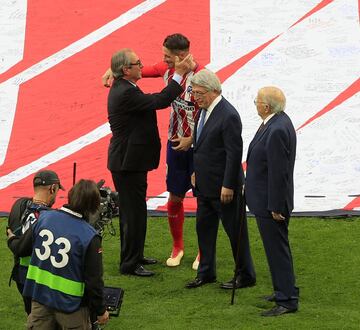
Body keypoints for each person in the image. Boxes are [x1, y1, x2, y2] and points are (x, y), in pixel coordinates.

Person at [103, 33, 202, 269]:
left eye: (166, 56)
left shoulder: (203, 76)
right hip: (163, 148)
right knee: (170, 198)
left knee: (204, 199)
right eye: (137, 64)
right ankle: (175, 248)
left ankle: (202, 251)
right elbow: (161, 99)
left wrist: (194, 137)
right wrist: (112, 69)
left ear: (179, 56)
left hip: (197, 146)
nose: (159, 61)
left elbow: (212, 113)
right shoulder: (140, 83)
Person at [184, 69, 256, 289]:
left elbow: (234, 154)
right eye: (194, 92)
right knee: (204, 230)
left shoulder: (228, 115)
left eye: (199, 93)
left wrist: (227, 184)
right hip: (204, 187)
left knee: (235, 232)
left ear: (213, 90)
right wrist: (196, 171)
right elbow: (200, 146)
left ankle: (245, 275)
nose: (195, 97)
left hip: (224, 188)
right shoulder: (202, 112)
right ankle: (206, 272)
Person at [8, 179, 109, 329]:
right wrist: (100, 310)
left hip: (40, 300)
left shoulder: (44, 218)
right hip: (72, 308)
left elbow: (21, 248)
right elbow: (94, 281)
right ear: (93, 205)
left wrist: (11, 239)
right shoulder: (90, 237)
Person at [245, 86, 299, 316]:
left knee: (277, 251)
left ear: (266, 106)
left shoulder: (276, 129)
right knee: (277, 249)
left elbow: (279, 172)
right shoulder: (278, 122)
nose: (255, 104)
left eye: (256, 101)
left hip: (271, 204)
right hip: (267, 200)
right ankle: (283, 290)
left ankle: (286, 299)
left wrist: (276, 206)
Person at [7, 169, 64, 315]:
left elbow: (12, 232)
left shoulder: (18, 204)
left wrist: (12, 239)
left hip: (20, 277)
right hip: (41, 280)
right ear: (52, 188)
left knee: (32, 317)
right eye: (57, 190)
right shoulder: (50, 218)